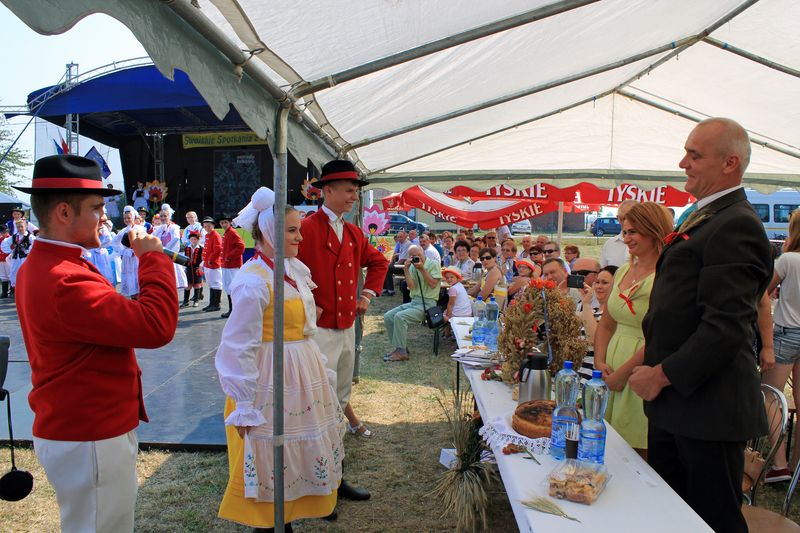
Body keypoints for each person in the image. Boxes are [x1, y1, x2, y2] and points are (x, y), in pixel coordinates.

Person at [14, 154, 178, 533]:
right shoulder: (65, 278)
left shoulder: (52, 264)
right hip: (89, 430)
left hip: (83, 426)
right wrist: (153, 260)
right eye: (97, 207)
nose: (105, 217)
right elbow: (156, 326)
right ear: (65, 213)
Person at [629, 118, 772, 533]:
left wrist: (662, 374)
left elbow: (725, 327)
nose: (683, 163)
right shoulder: (709, 214)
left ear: (730, 163)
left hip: (706, 407)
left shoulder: (737, 224)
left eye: (695, 155)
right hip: (681, 404)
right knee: (673, 516)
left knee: (712, 520)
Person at [215, 187, 345, 532]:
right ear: (269, 232)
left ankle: (285, 519)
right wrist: (244, 402)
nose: (300, 237)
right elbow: (237, 345)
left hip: (298, 373)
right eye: (291, 230)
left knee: (294, 450)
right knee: (270, 450)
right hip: (269, 377)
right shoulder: (254, 281)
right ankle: (268, 524)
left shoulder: (292, 270)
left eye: (298, 229)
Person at [296, 159, 388, 501]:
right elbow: (285, 268)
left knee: (340, 398)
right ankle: (319, 481)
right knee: (318, 403)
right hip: (315, 330)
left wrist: (367, 293)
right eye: (349, 190)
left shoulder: (352, 232)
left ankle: (335, 477)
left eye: (355, 191)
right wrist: (306, 301)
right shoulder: (305, 227)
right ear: (328, 191)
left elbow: (379, 262)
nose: (354, 197)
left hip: (346, 327)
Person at [593, 202, 672, 454]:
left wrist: (623, 374)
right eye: (625, 232)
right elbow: (606, 323)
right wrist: (599, 360)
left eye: (633, 232)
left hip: (642, 368)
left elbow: (661, 336)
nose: (626, 238)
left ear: (653, 230)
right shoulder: (624, 270)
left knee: (637, 452)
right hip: (611, 368)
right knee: (608, 447)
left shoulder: (666, 275)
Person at [758, 208, 800, 483]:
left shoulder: (788, 260)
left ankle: (780, 463)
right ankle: (796, 465)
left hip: (788, 331)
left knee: (771, 394)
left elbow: (760, 292)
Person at [383, 245, 442, 362]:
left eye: (418, 255)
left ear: (423, 253)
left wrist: (422, 269)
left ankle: (401, 352)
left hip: (428, 304)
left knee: (400, 317)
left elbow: (433, 284)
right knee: (388, 316)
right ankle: (401, 348)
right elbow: (411, 286)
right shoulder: (412, 266)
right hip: (415, 301)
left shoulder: (434, 264)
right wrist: (406, 269)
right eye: (412, 256)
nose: (416, 258)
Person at [577, 265, 618, 383]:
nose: (599, 286)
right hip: (580, 376)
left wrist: (585, 303)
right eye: (597, 282)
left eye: (604, 283)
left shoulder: (614, 315)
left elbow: (595, 340)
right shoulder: (592, 312)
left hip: (595, 380)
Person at [152, 203, 189, 294]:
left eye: (165, 216)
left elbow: (176, 238)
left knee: (172, 279)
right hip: (162, 256)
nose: (163, 218)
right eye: (161, 216)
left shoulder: (174, 227)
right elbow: (152, 237)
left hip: (171, 255)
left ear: (169, 216)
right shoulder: (160, 228)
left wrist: (165, 249)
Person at [113, 206, 143, 298]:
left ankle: (141, 297)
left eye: (129, 218)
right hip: (127, 258)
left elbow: (144, 240)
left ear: (133, 217)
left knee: (138, 276)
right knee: (130, 278)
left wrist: (137, 250)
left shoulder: (140, 228)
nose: (127, 220)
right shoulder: (123, 231)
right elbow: (114, 242)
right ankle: (133, 298)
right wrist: (123, 251)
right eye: (125, 218)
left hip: (137, 257)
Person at [220, 213, 245, 318]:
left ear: (230, 223)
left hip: (232, 265)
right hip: (227, 264)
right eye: (222, 223)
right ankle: (232, 310)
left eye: (226, 222)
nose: (224, 224)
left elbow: (241, 246)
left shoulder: (232, 233)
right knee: (228, 287)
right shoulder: (227, 233)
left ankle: (234, 310)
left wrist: (229, 256)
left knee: (232, 288)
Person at [600, 200, 636, 268]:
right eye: (625, 218)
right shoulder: (610, 244)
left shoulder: (648, 244)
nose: (629, 221)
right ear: (618, 219)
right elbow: (603, 270)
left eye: (634, 217)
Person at [3, 218, 35, 294]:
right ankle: (16, 290)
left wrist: (27, 250)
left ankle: (26, 290)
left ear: (25, 227)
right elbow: (5, 243)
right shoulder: (14, 236)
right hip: (16, 258)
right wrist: (11, 251)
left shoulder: (29, 236)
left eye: (21, 226)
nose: (20, 228)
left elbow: (35, 244)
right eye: (18, 227)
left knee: (25, 272)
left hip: (25, 258)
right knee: (14, 272)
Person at [86, 213, 115, 285]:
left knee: (104, 272)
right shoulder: (87, 226)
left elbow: (109, 240)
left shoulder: (103, 228)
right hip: (90, 253)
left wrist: (100, 246)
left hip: (101, 252)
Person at [202, 216, 224, 312]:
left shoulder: (215, 235)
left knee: (216, 283)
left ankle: (216, 304)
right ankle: (211, 303)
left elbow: (218, 249)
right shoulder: (208, 235)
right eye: (205, 226)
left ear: (213, 226)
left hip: (213, 263)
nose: (207, 228)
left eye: (209, 226)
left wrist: (211, 260)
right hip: (208, 263)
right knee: (211, 284)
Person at [181, 230, 204, 308]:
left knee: (197, 285)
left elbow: (203, 259)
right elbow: (184, 258)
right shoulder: (187, 248)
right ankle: (185, 301)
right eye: (192, 239)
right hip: (189, 268)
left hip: (197, 268)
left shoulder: (201, 248)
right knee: (188, 285)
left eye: (195, 239)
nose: (193, 241)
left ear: (198, 240)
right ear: (189, 240)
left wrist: (200, 266)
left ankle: (196, 300)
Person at [0, 226, 9, 298]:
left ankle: (12, 291)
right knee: (3, 276)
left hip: (8, 260)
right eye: (2, 232)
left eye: (4, 232)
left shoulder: (11, 238)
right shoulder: (0, 239)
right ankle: (4, 292)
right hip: (1, 260)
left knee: (10, 275)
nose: (3, 234)